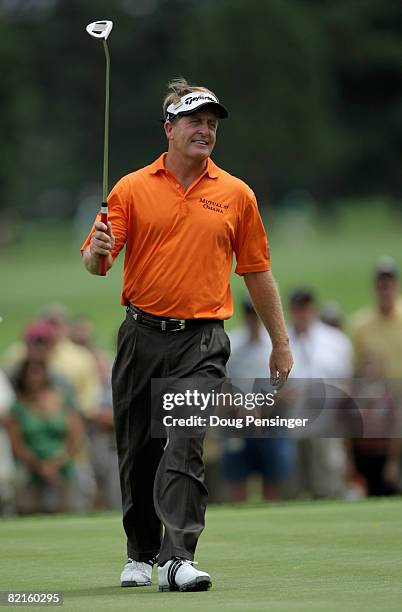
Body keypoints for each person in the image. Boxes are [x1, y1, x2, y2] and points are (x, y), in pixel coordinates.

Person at [81, 78, 293, 592]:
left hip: (202, 341)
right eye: (195, 121)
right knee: (139, 450)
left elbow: (257, 270)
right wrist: (99, 248)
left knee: (184, 443)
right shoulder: (130, 188)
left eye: (212, 123)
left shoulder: (236, 194)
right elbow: (97, 262)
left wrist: (280, 341)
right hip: (140, 335)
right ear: (169, 128)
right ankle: (141, 552)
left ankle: (179, 559)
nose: (206, 130)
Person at [222, 297, 295, 501]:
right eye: (249, 314)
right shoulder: (231, 343)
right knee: (237, 481)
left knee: (272, 480)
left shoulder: (278, 344)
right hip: (237, 423)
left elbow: (290, 388)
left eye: (255, 315)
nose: (252, 320)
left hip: (270, 423)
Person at [287, 289, 353, 498]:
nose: (302, 312)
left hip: (326, 423)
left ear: (313, 309)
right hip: (292, 424)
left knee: (328, 483)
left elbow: (347, 382)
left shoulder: (335, 341)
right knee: (293, 487)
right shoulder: (280, 339)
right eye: (298, 307)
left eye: (306, 307)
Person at [349, 257, 402, 493]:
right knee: (381, 476)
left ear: (396, 285)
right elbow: (357, 371)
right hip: (381, 408)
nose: (385, 288)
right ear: (375, 287)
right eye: (381, 283)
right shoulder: (361, 324)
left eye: (389, 283)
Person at [8, 357, 82, 514]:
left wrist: (56, 463)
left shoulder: (62, 399)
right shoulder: (18, 407)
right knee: (29, 514)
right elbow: (17, 445)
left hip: (63, 468)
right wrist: (41, 466)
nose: (34, 377)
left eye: (38, 372)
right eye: (30, 372)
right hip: (31, 472)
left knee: (68, 513)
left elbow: (75, 436)